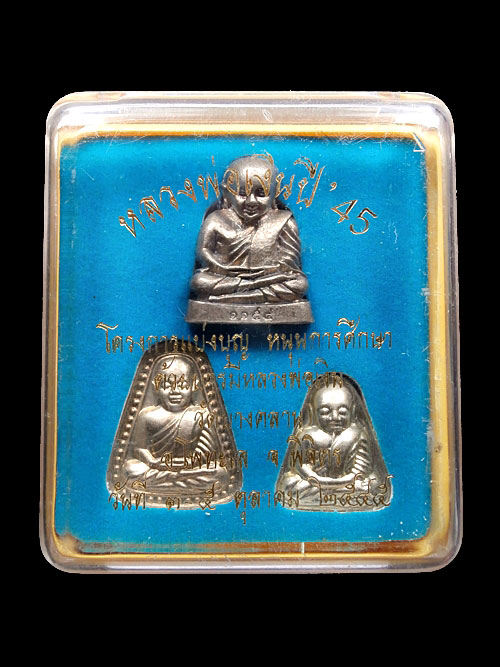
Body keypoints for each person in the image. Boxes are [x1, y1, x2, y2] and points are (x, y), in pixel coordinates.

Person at [189, 154, 309, 305]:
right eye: (242, 193)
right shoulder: (216, 219)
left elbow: (290, 263)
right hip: (227, 276)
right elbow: (203, 251)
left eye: (261, 194)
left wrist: (269, 272)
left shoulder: (283, 222)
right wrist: (221, 268)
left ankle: (230, 297)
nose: (251, 201)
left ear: (274, 193)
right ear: (227, 193)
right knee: (199, 282)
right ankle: (252, 292)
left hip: (269, 278)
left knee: (299, 284)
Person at [122, 354, 234, 503]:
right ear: (156, 386)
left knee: (219, 474)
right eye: (167, 385)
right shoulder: (146, 416)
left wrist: (183, 465)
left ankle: (169, 482)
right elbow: (138, 448)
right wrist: (152, 462)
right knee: (130, 469)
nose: (175, 391)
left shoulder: (203, 415)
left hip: (189, 469)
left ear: (194, 385)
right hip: (158, 467)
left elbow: (207, 456)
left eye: (182, 385)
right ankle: (177, 482)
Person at [276, 374, 392, 510]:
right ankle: (336, 496)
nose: (335, 417)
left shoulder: (358, 435)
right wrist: (317, 479)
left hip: (348, 483)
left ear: (353, 411)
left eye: (342, 412)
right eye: (325, 412)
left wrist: (334, 483)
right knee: (288, 483)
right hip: (317, 483)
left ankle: (326, 496)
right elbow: (300, 465)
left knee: (374, 485)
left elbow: (360, 472)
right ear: (312, 412)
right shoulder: (306, 435)